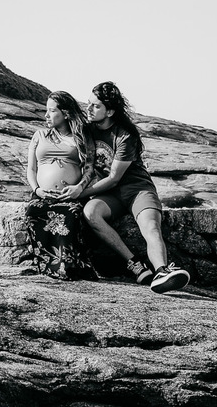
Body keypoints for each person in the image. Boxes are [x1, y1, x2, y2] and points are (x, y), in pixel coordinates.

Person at [78, 81, 191, 294]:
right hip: (110, 195)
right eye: (89, 103)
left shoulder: (125, 136)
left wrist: (81, 192)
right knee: (90, 213)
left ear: (110, 111)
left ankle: (162, 272)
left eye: (95, 106)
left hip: (137, 189)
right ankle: (135, 264)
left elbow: (114, 178)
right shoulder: (87, 130)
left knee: (151, 226)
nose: (89, 109)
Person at [23, 91, 98, 280]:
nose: (46, 115)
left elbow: (89, 168)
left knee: (72, 215)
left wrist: (79, 188)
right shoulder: (39, 135)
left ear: (66, 113)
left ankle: (67, 266)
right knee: (33, 213)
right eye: (46, 111)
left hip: (70, 196)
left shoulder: (81, 136)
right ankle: (48, 265)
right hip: (42, 195)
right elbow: (31, 169)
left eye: (51, 111)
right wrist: (37, 190)